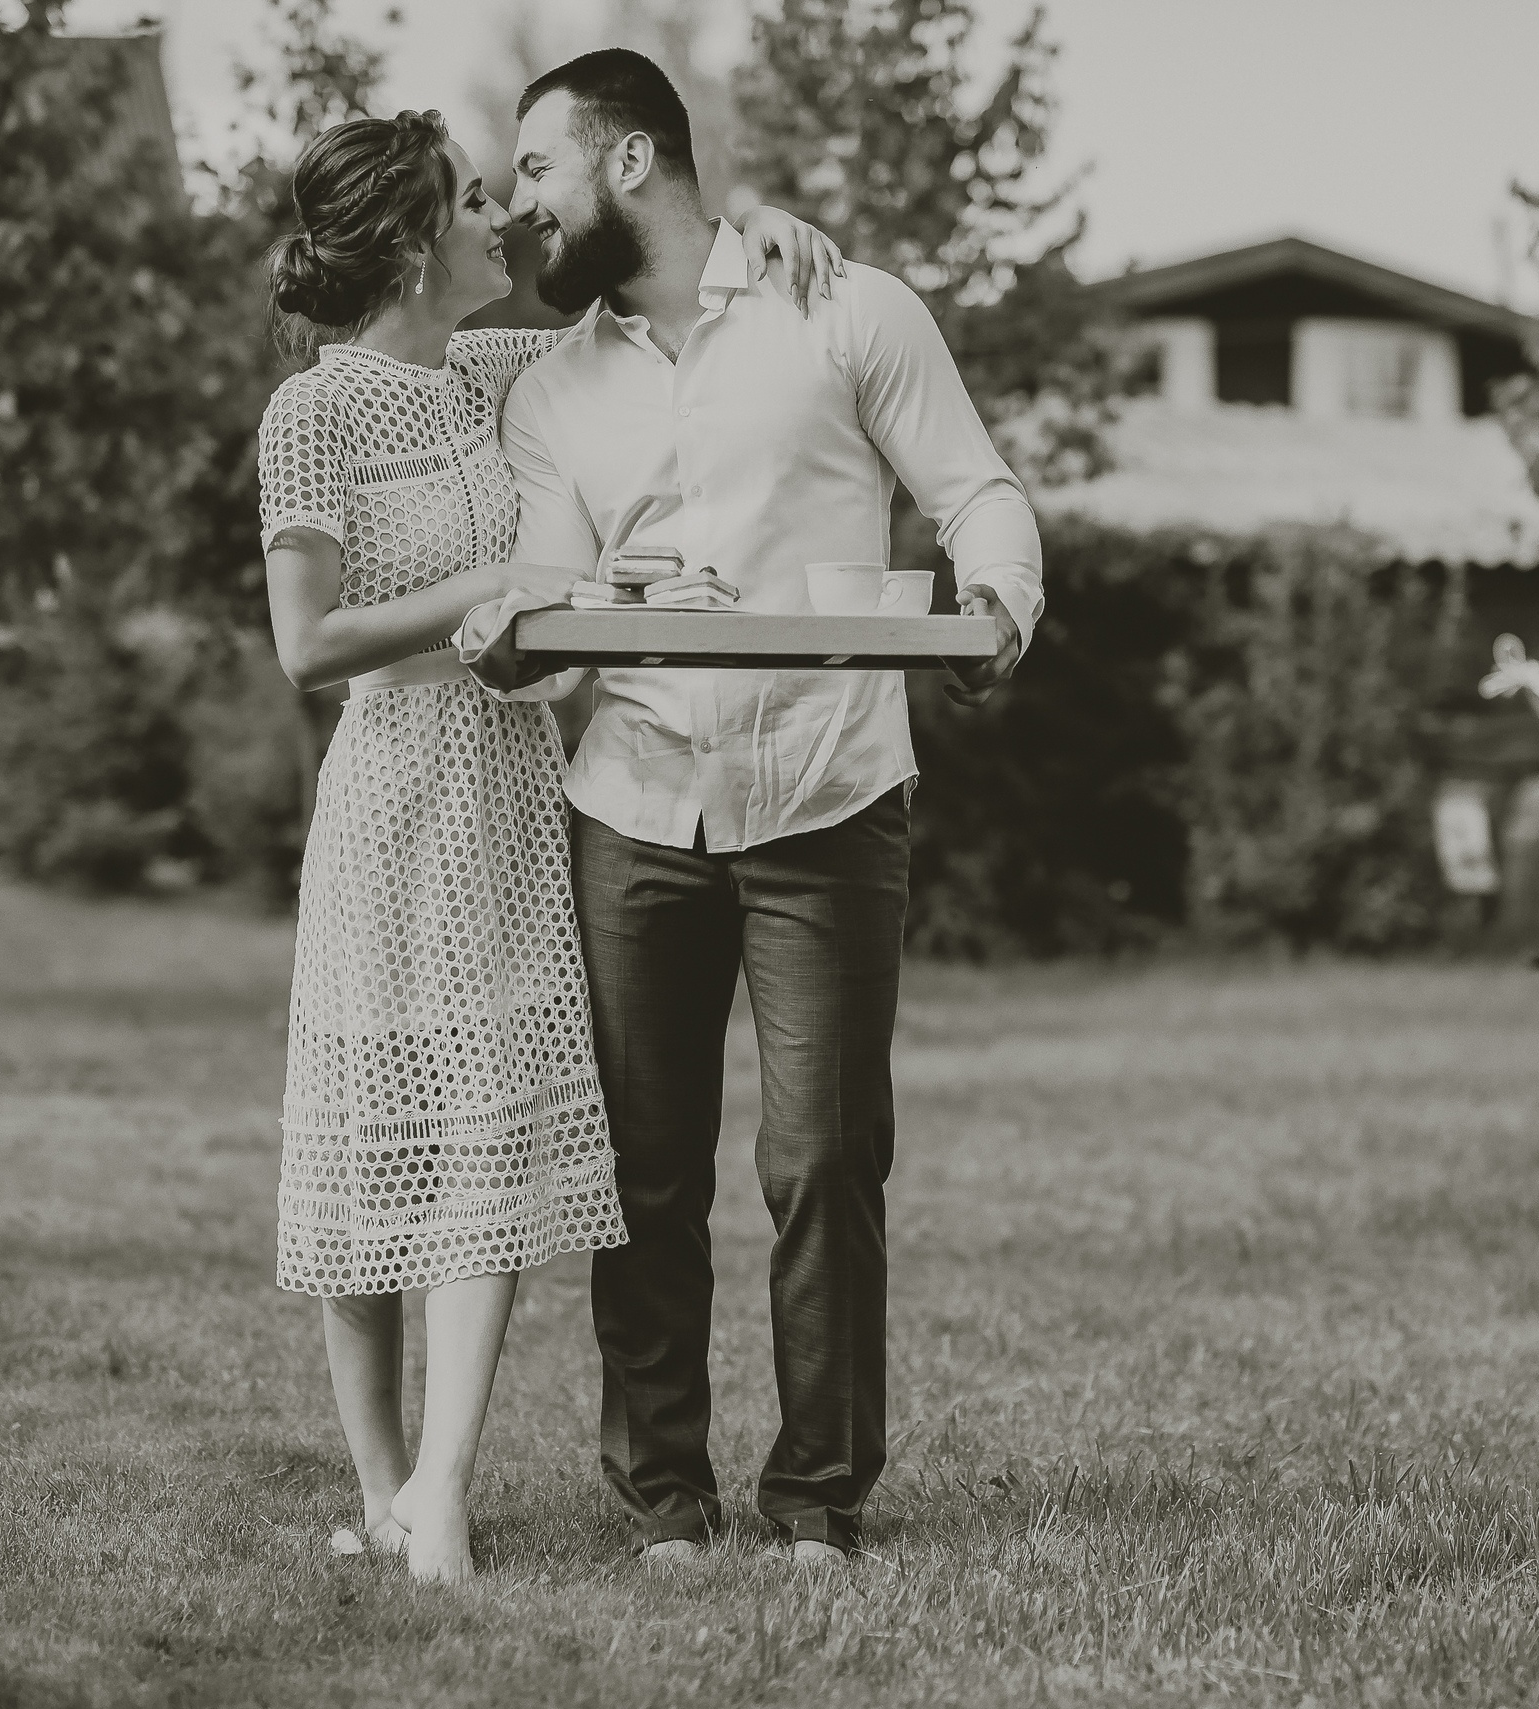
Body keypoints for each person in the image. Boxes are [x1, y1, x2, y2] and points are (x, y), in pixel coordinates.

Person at [254, 107, 841, 1582]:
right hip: (389, 796)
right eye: (466, 203)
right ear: (402, 245)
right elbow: (305, 640)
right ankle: (388, 1491)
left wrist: (756, 235)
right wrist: (494, 585)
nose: (497, 222)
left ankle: (444, 1487)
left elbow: (654, 309)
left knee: (490, 1140)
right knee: (361, 1160)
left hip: (514, 794)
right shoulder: (310, 416)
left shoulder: (502, 370)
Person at [494, 50, 1043, 1566]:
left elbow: (978, 490)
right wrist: (520, 642)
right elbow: (545, 613)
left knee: (822, 1159)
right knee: (646, 1171)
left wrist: (999, 602)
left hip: (828, 794)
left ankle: (817, 1497)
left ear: (626, 163)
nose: (523, 202)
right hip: (637, 808)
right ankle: (664, 1495)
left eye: (537, 167)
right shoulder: (551, 394)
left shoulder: (846, 309)